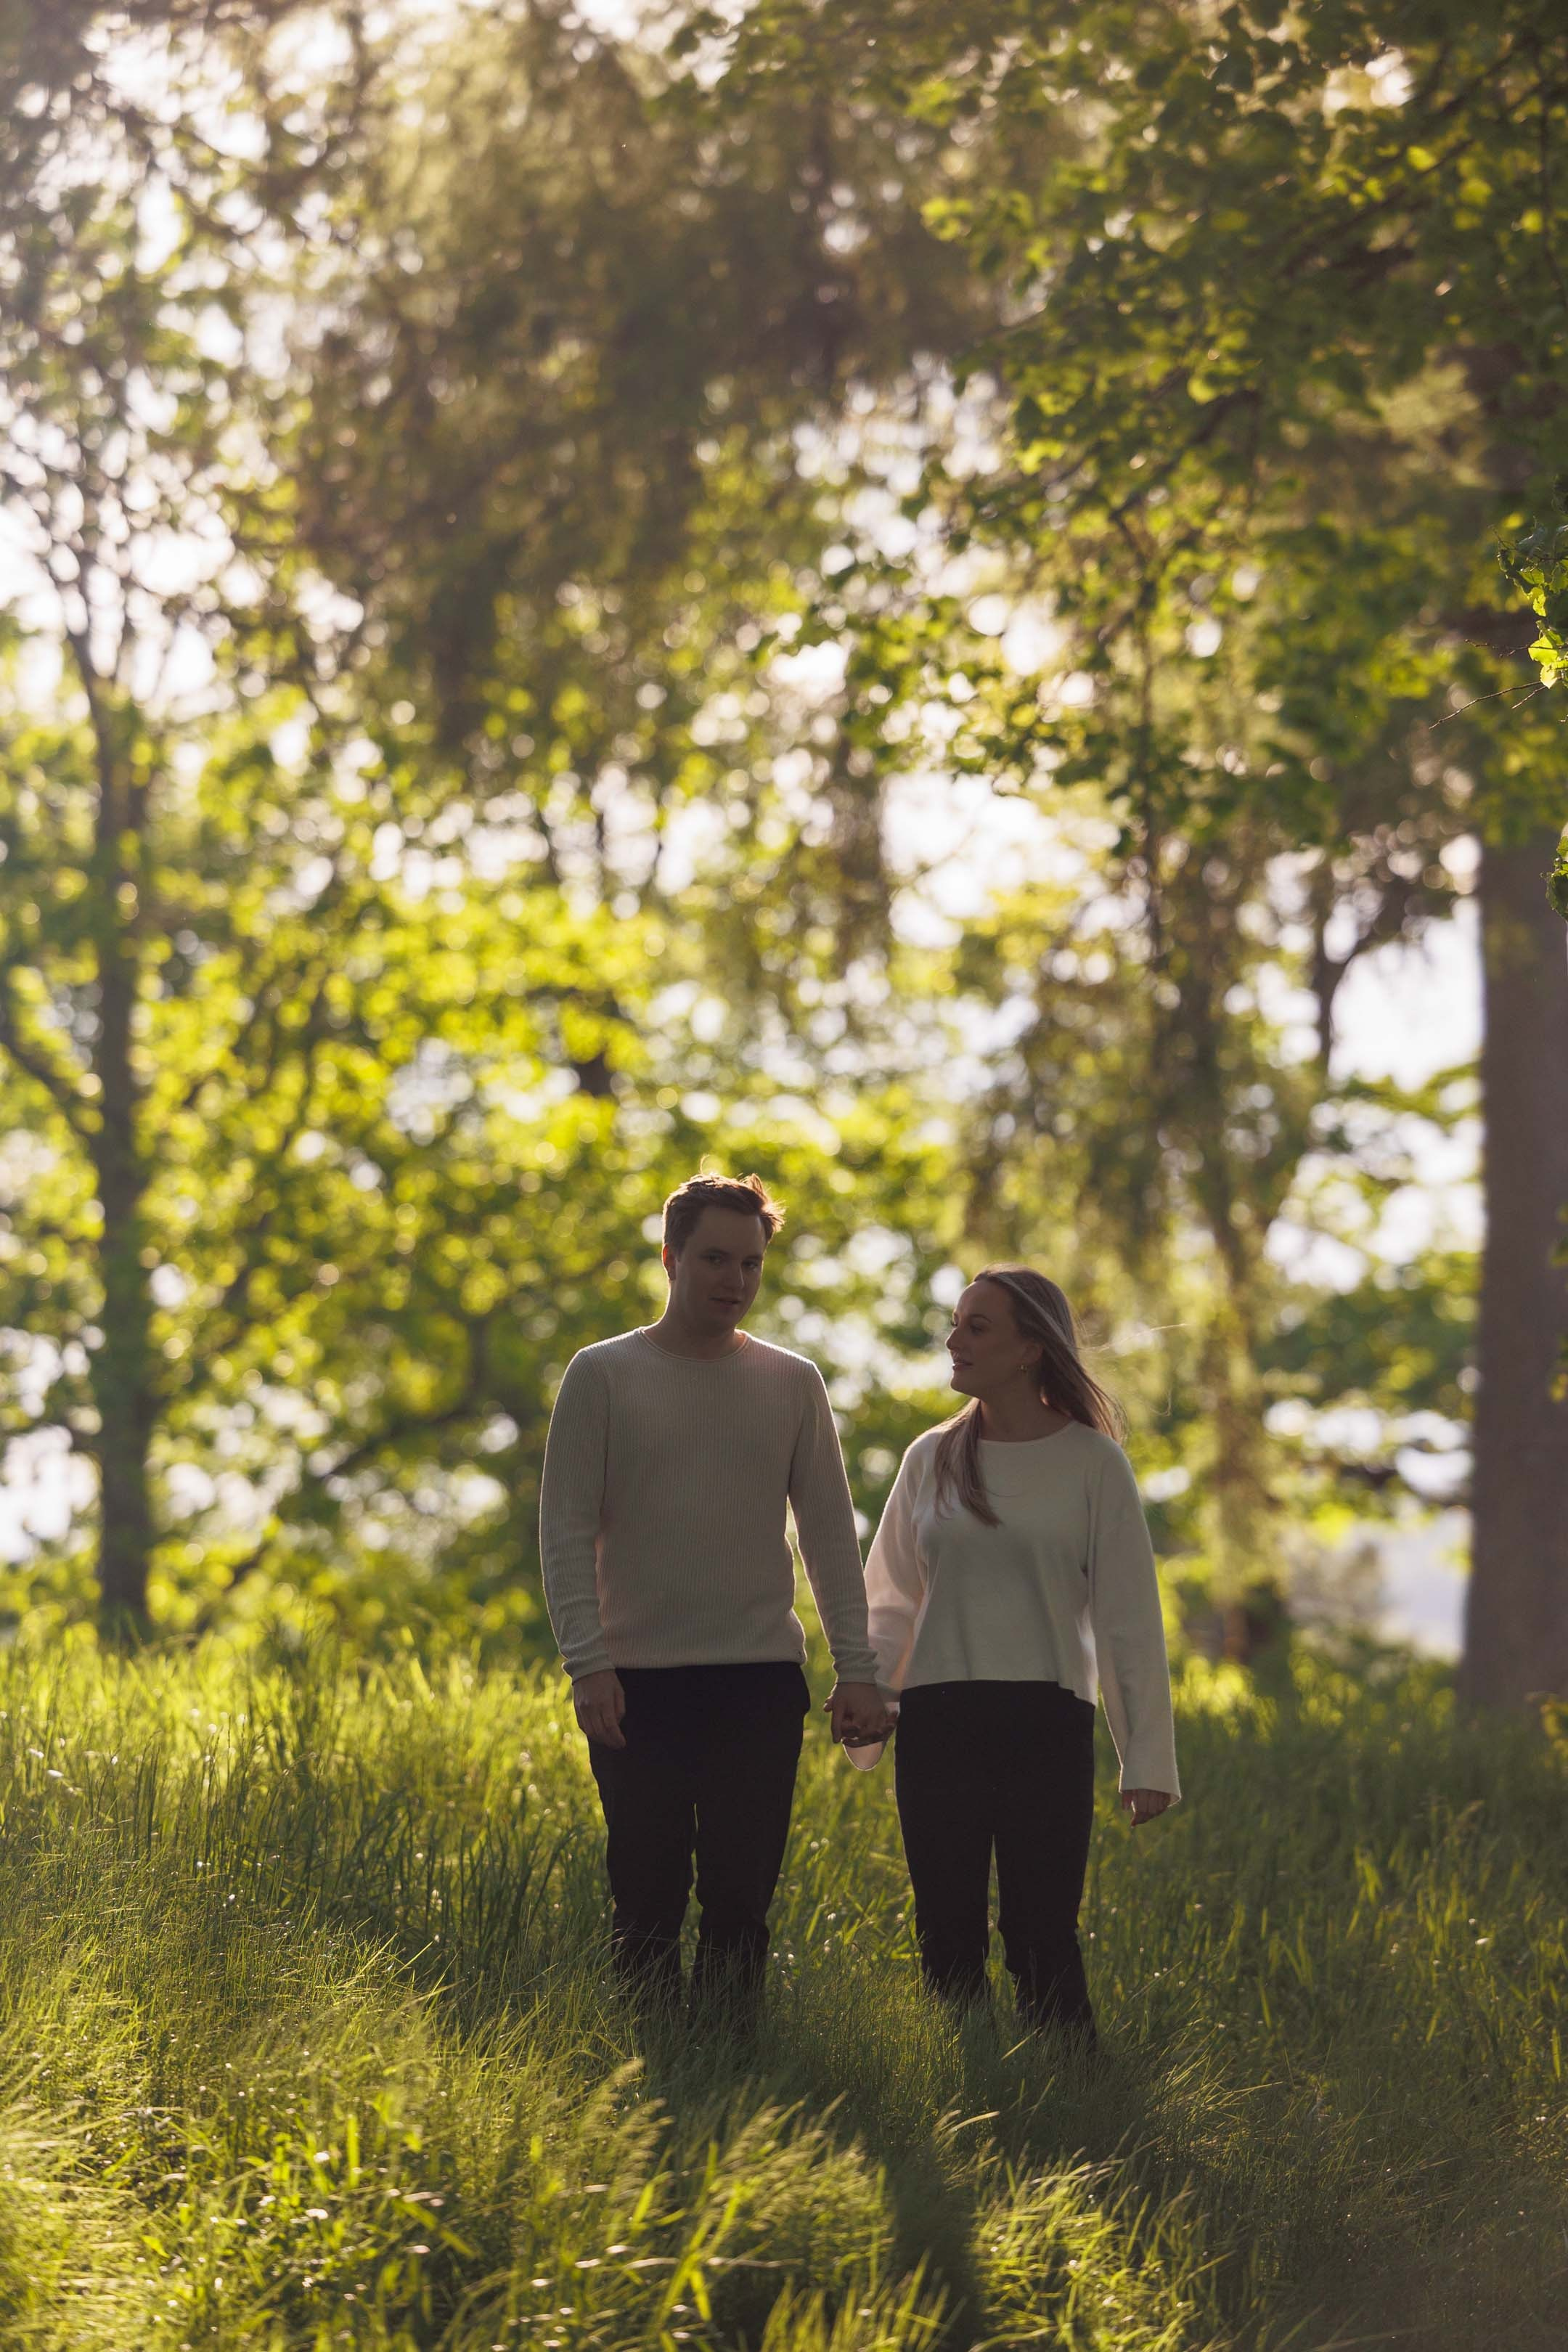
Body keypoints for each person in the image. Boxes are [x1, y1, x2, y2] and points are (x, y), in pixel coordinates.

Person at [539, 1171, 890, 2018]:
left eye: (752, 1264)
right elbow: (563, 1533)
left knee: (740, 1901)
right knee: (646, 1900)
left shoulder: (792, 1381)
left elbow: (830, 1536)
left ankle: (733, 2069)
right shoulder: (603, 1375)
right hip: (637, 1684)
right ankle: (653, 2079)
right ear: (670, 1258)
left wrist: (858, 1668)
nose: (735, 1280)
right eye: (715, 1260)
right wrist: (588, 1666)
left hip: (758, 1681)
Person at [861, 1265, 1179, 2041]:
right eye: (957, 1321)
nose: (954, 1340)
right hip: (938, 1718)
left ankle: (1075, 2110)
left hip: (1047, 1717)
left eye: (978, 1327)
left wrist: (1147, 1758)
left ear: (1032, 1347)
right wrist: (866, 1696)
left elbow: (1129, 1620)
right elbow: (891, 1597)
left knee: (1042, 1935)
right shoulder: (930, 1457)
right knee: (947, 1935)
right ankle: (962, 2101)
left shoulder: (1093, 1464)